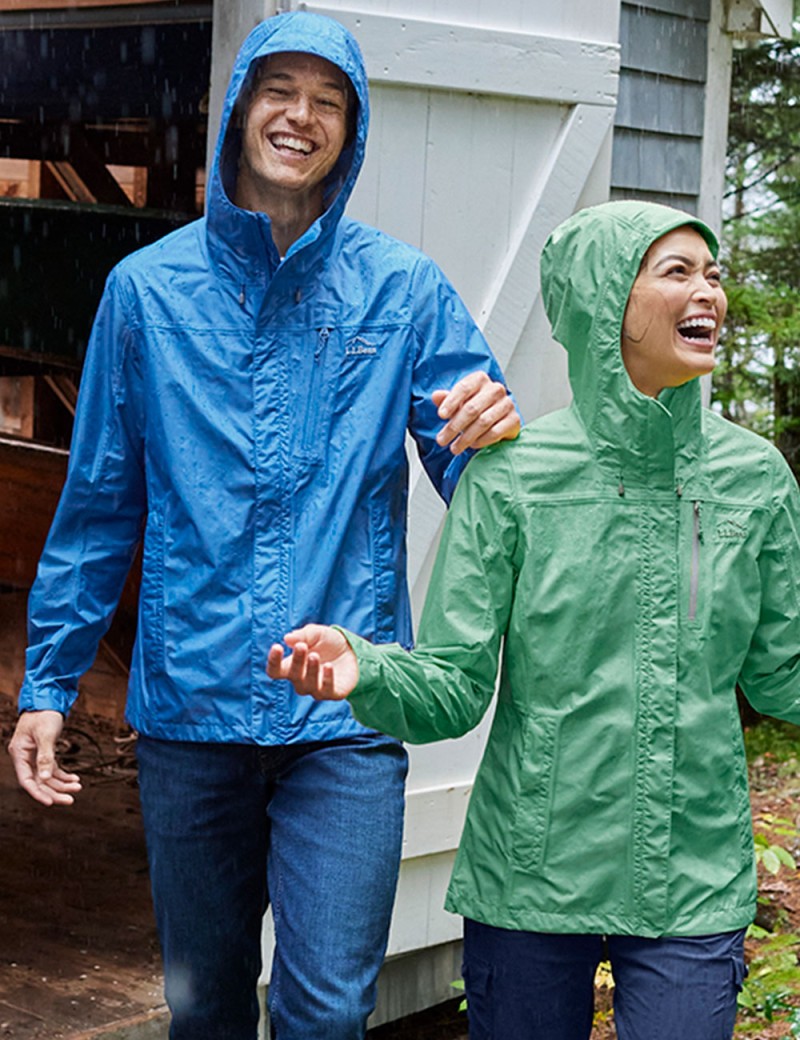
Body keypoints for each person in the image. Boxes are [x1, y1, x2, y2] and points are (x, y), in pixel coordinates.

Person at [7, 11, 520, 1040]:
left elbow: (490, 494)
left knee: (327, 1009)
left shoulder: (404, 291)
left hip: (346, 710)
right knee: (202, 1006)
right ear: (240, 105)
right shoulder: (144, 294)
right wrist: (50, 683)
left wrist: (497, 435)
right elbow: (100, 504)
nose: (302, 115)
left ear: (354, 128)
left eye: (329, 100)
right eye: (280, 90)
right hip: (190, 708)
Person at [268, 200, 800, 1040]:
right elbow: (453, 684)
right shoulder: (512, 478)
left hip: (691, 870)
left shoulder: (756, 480)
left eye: (714, 273)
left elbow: (781, 673)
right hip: (532, 869)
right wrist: (365, 669)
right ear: (605, 301)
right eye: (677, 272)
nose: (709, 292)